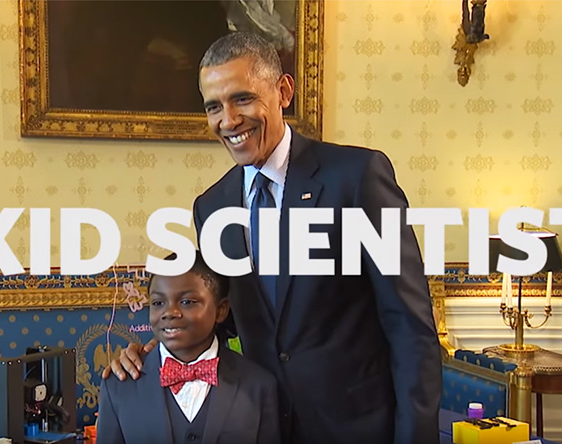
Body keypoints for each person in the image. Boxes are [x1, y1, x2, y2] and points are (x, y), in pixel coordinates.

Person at [103, 32, 442, 444]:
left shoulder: (357, 178)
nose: (228, 121)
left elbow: (409, 326)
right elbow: (220, 320)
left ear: (283, 91)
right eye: (214, 107)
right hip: (261, 426)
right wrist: (148, 355)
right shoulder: (211, 206)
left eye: (242, 99)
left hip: (356, 429)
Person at [96, 251, 282, 444]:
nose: (170, 312)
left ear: (221, 310)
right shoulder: (119, 384)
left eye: (187, 302)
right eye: (158, 303)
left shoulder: (259, 385)